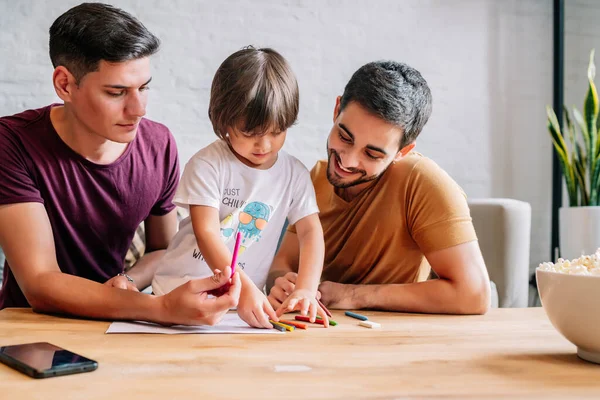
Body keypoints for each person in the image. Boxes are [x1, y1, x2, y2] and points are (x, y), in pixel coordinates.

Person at [0, 2, 239, 326]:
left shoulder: (159, 144)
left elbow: (161, 251)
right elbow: (40, 283)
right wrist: (161, 309)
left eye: (144, 87)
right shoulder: (12, 142)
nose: (138, 109)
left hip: (121, 325)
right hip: (31, 329)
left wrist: (130, 280)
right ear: (65, 85)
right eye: (117, 92)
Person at [267, 60, 491, 314]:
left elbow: (474, 294)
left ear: (402, 152)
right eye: (344, 136)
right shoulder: (315, 178)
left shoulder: (422, 182)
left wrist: (352, 295)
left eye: (372, 154)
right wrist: (283, 283)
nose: (348, 161)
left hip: (394, 339)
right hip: (320, 335)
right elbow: (282, 263)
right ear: (337, 109)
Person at [152, 47, 328, 328]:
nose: (265, 145)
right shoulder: (208, 164)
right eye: (250, 134)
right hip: (179, 292)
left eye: (276, 131)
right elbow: (207, 233)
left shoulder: (294, 174)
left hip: (243, 306)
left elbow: (310, 232)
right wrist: (245, 289)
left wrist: (306, 288)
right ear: (224, 123)